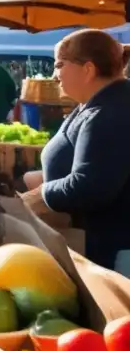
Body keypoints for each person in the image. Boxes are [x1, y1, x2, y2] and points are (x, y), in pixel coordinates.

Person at [24, 30, 130, 270]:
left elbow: (90, 185)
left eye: (59, 64)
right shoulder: (99, 103)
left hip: (118, 252)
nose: (54, 75)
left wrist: (40, 195)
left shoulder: (110, 111)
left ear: (88, 69)